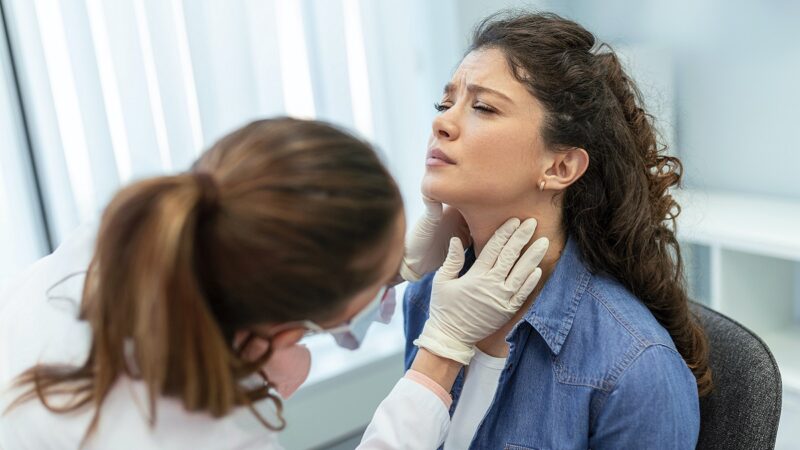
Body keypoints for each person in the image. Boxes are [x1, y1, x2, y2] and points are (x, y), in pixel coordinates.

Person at [0, 118, 549, 449]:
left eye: (483, 107)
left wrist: (386, 274)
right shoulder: (203, 434)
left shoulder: (129, 240)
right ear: (285, 325)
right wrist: (441, 354)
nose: (444, 125)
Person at [403, 11, 712, 449]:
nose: (442, 123)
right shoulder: (427, 295)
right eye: (445, 103)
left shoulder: (634, 368)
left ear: (561, 165)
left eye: (483, 107)